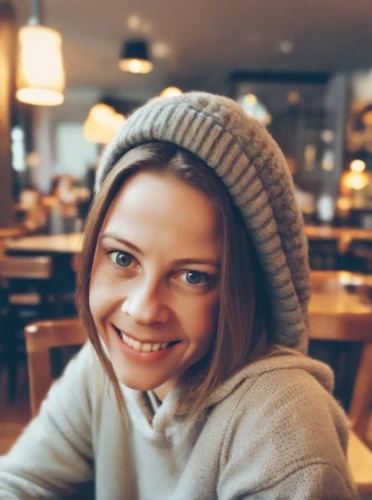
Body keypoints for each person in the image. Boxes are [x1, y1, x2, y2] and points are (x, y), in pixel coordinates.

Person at [0, 92, 357, 499]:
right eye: (122, 257)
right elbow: (18, 482)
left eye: (192, 276)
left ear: (249, 289)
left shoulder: (283, 424)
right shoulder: (101, 367)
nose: (142, 309)